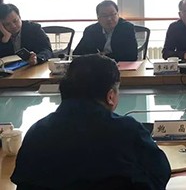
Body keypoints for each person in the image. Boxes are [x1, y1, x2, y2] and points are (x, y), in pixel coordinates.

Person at [11, 54, 170, 189]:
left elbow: (24, 184)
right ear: (110, 96)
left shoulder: (37, 132)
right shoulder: (128, 130)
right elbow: (160, 174)